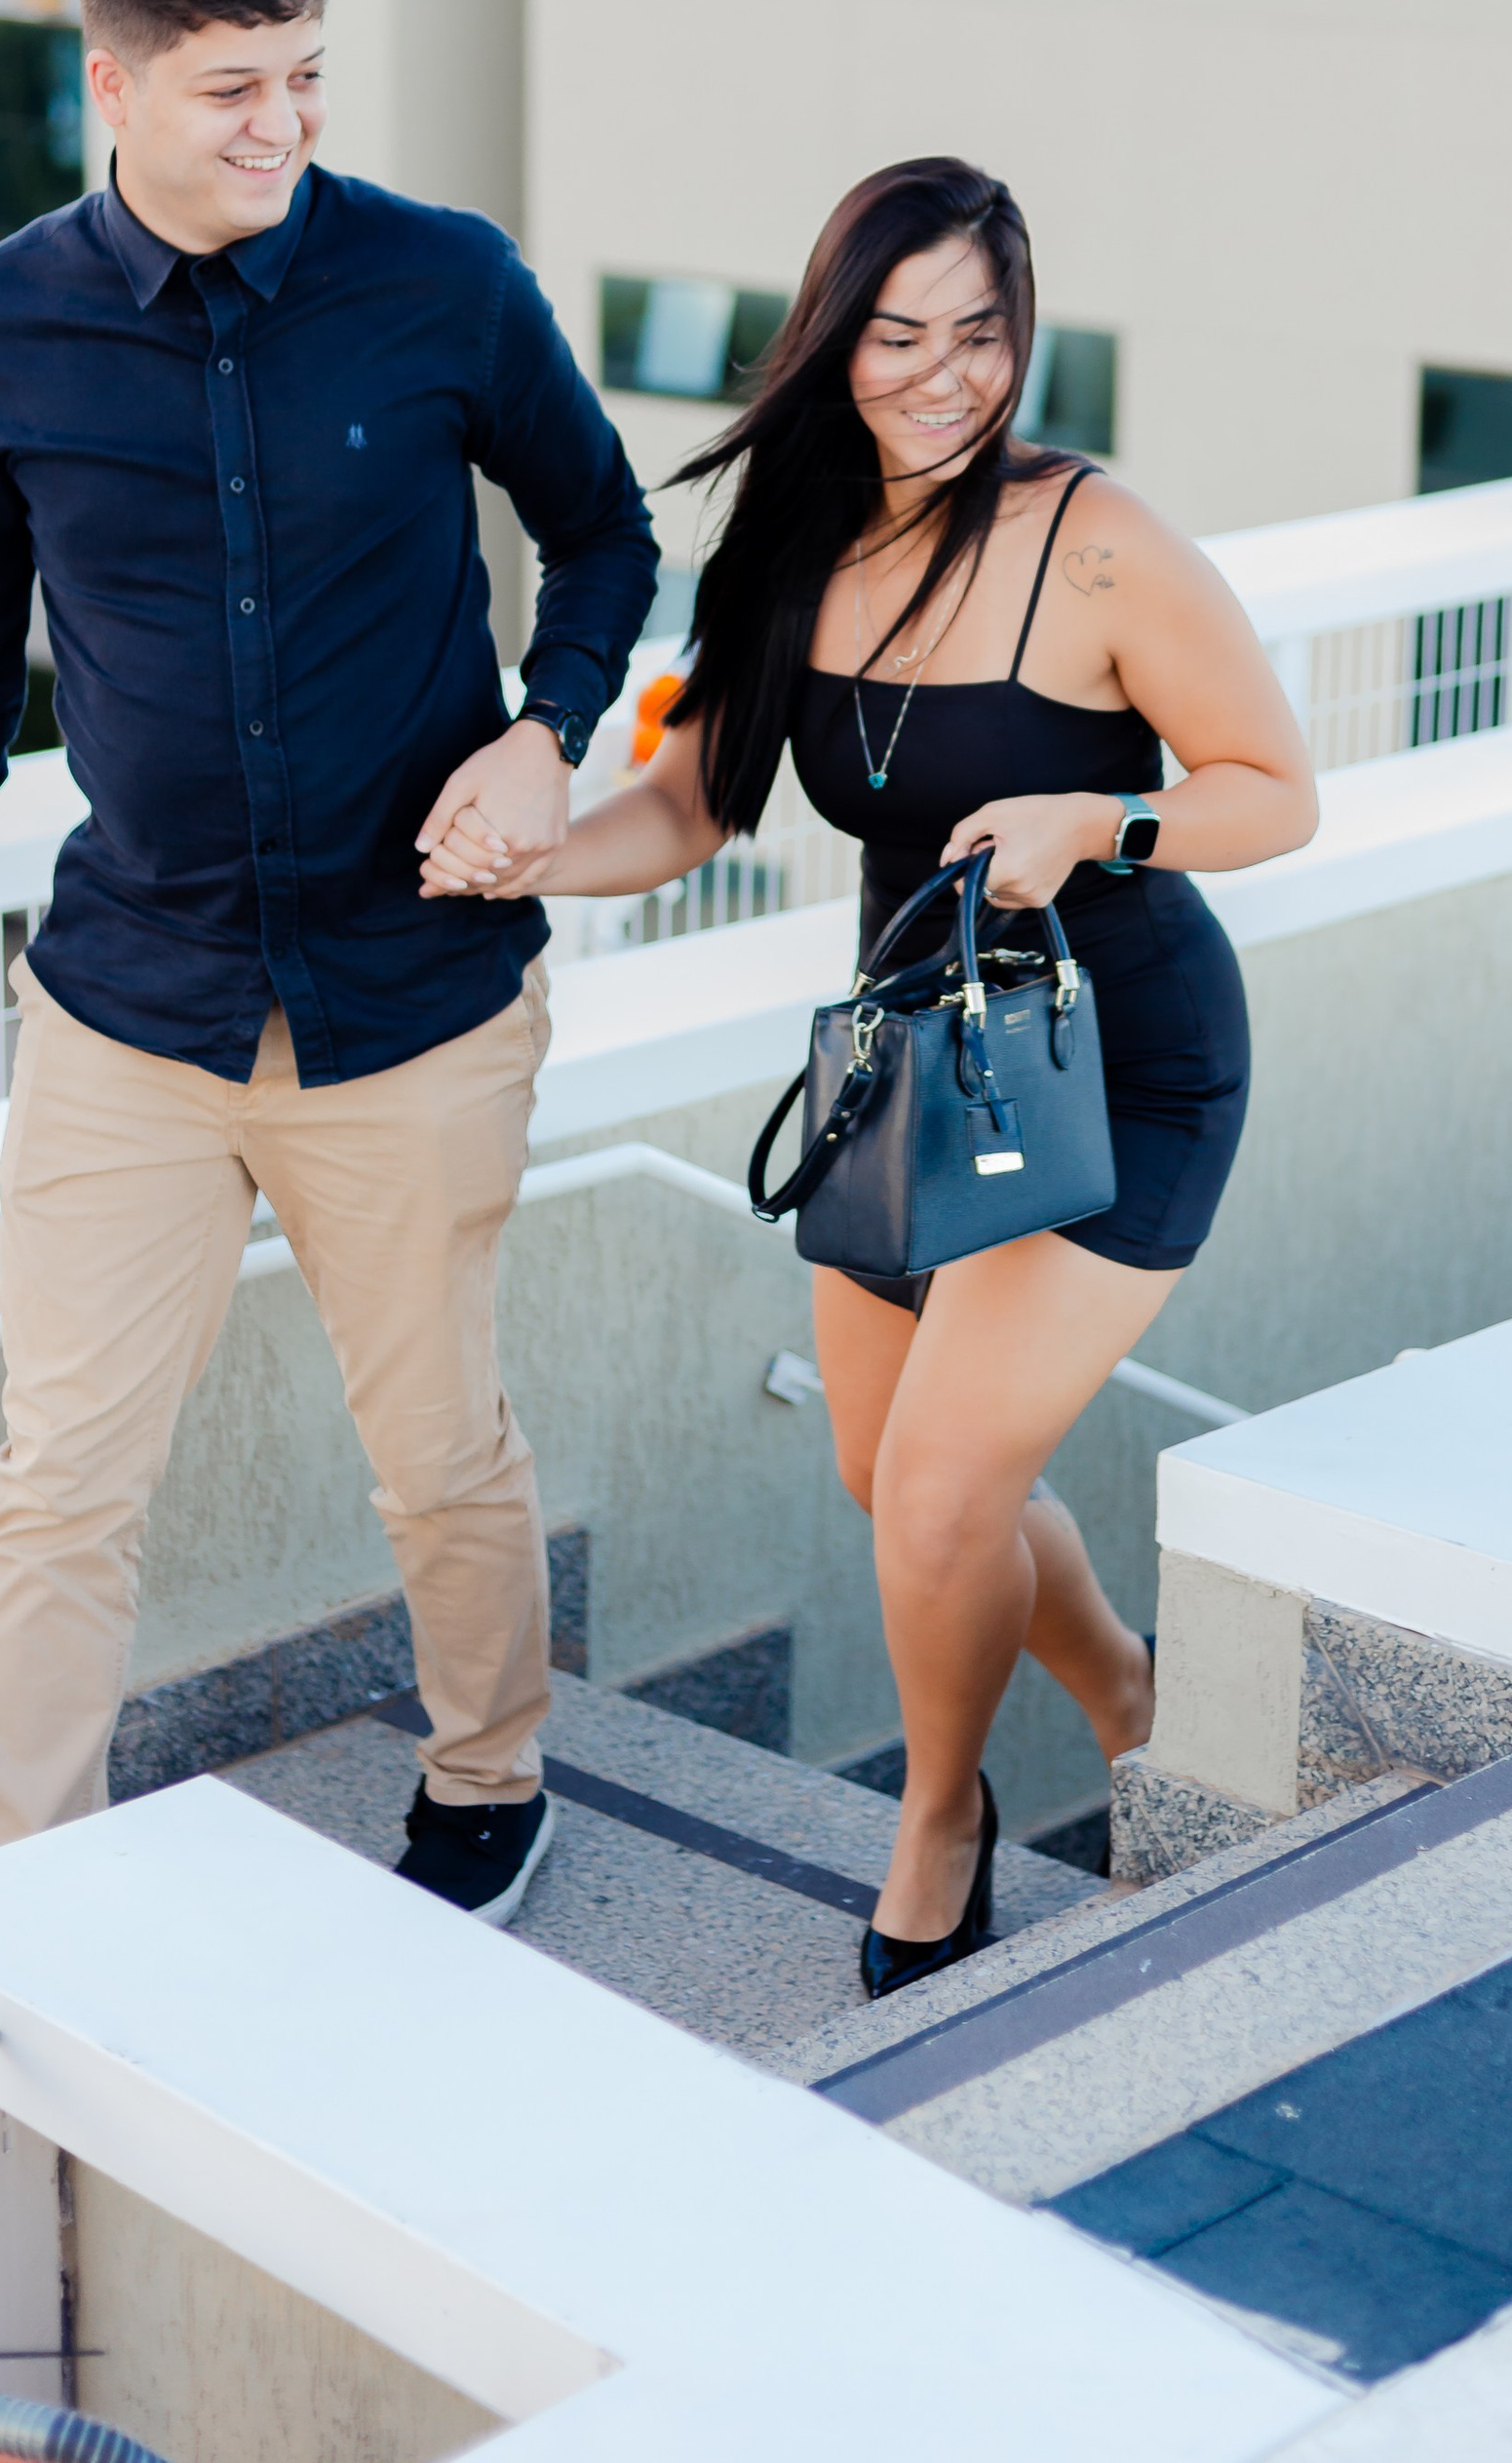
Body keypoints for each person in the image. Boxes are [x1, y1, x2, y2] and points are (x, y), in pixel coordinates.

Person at [0, 0, 657, 1927]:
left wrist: (546, 729)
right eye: (229, 90)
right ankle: (27, 1896)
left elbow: (605, 533)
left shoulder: (443, 284)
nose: (279, 126)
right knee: (56, 1492)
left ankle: (489, 1779)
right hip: (134, 1015)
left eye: (300, 78)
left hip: (421, 1004)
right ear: (110, 82)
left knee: (438, 1451)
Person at [424, 157, 1315, 1996]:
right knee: (887, 1468)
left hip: (1117, 1060)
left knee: (936, 1491)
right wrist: (531, 855)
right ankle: (1127, 1691)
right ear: (834, 343)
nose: (943, 373)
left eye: (979, 334)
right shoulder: (793, 546)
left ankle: (942, 1818)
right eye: (900, 333)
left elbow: (1275, 791)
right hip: (914, 1066)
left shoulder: (1100, 538)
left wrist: (1103, 814)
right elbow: (687, 804)